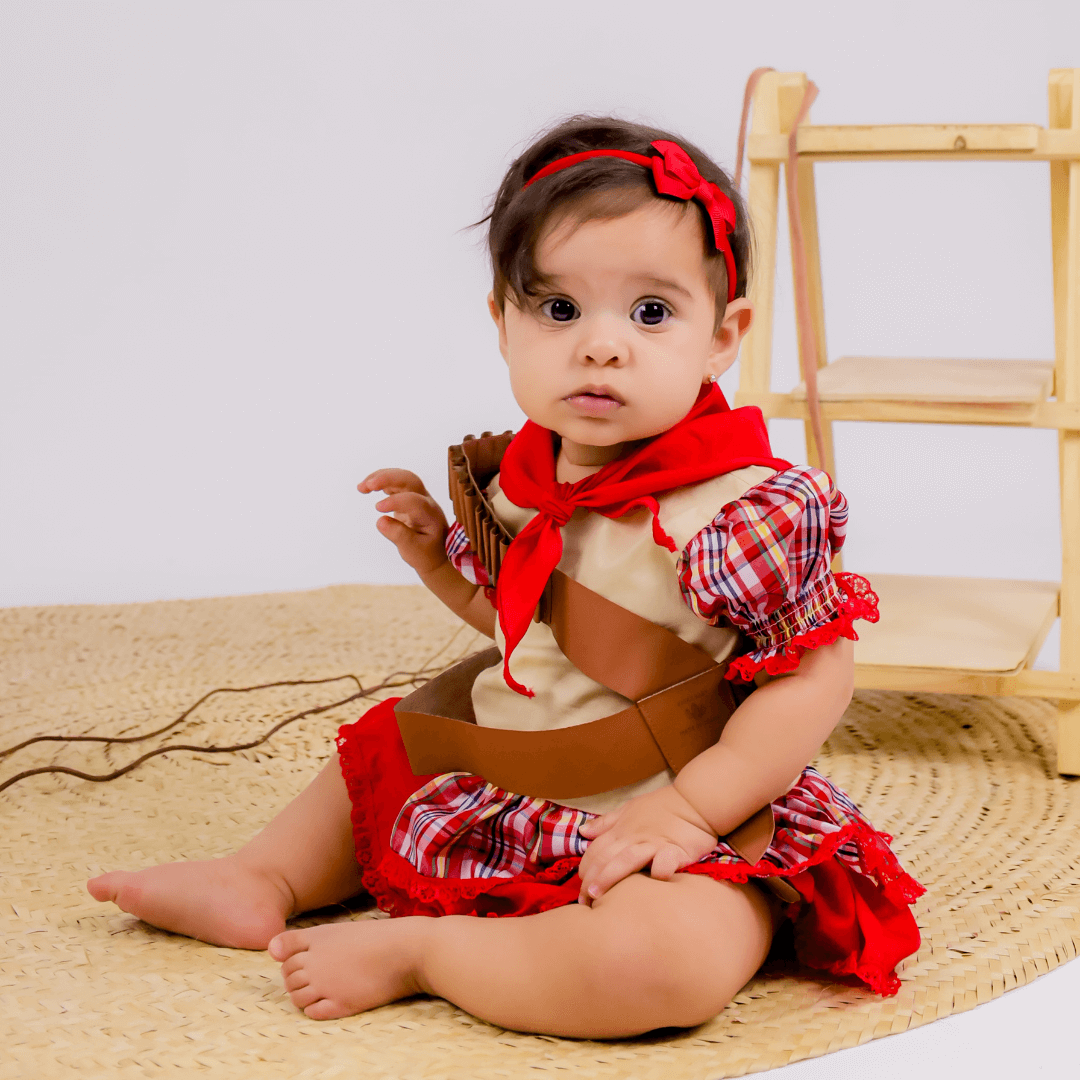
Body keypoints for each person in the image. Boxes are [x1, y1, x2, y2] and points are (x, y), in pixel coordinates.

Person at [87, 116, 924, 1038]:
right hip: (519, 780)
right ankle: (264, 876)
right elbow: (526, 629)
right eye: (560, 310)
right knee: (387, 750)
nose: (601, 346)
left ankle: (423, 952)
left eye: (651, 313)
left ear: (723, 337)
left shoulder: (742, 510)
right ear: (503, 322)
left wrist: (689, 810)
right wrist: (439, 562)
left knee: (666, 966)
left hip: (690, 813)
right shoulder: (523, 478)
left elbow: (815, 676)